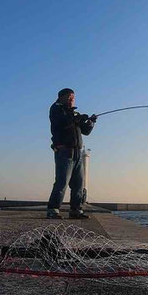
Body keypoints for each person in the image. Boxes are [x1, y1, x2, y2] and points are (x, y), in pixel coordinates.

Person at [46, 88, 98, 219]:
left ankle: (76, 210)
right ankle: (53, 209)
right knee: (62, 182)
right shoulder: (56, 109)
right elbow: (62, 123)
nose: (72, 100)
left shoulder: (73, 114)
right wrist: (77, 118)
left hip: (77, 153)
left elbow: (85, 131)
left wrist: (90, 122)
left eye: (73, 98)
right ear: (61, 97)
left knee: (78, 184)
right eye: (69, 97)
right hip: (64, 151)